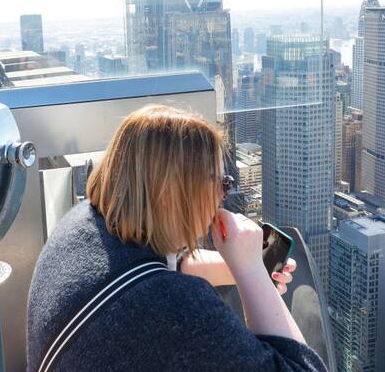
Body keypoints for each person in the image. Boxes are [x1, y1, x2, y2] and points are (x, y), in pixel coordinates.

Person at [27, 105, 327, 371]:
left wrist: (236, 265)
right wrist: (251, 272)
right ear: (175, 191)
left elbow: (164, 265)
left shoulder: (83, 226)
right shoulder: (176, 312)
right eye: (223, 182)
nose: (225, 195)